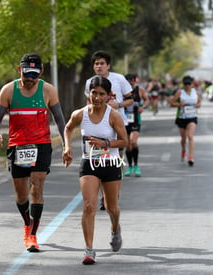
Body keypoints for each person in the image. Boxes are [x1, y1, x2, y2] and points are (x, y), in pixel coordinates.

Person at [0, 53, 66, 253]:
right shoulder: (8, 90)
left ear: (40, 72)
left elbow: (59, 120)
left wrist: (66, 144)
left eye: (34, 74)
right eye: (27, 73)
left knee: (37, 186)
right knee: (21, 194)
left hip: (41, 144)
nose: (30, 78)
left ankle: (32, 235)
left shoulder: (48, 90)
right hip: (18, 146)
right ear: (20, 70)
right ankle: (26, 224)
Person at [64, 76, 128, 265]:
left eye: (102, 94)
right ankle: (89, 250)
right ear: (89, 93)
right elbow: (68, 129)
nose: (97, 97)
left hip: (110, 164)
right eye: (94, 93)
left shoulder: (113, 115)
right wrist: (67, 148)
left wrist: (105, 143)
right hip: (89, 163)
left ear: (109, 96)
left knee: (111, 207)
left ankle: (115, 229)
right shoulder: (80, 114)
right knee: (89, 206)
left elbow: (125, 141)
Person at [84, 50, 133, 210]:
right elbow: (88, 102)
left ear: (108, 65)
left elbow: (131, 99)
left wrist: (118, 105)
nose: (99, 66)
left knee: (115, 158)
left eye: (102, 63)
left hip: (116, 123)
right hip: (96, 124)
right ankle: (102, 194)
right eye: (96, 64)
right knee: (96, 159)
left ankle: (112, 193)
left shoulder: (119, 79)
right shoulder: (89, 82)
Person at [170, 75, 202, 166]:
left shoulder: (195, 92)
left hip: (192, 116)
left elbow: (199, 102)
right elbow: (172, 103)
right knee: (183, 138)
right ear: (183, 84)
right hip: (181, 117)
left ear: (192, 84)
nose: (187, 85)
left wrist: (197, 105)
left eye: (189, 84)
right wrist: (179, 104)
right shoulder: (180, 93)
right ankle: (183, 149)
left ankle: (191, 157)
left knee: (190, 136)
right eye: (185, 84)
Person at [123, 74, 149, 177]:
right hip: (124, 119)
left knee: (133, 141)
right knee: (127, 144)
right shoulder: (122, 91)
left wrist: (143, 106)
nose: (130, 83)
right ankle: (130, 166)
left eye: (132, 81)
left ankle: (136, 166)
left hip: (135, 119)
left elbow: (146, 99)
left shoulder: (140, 90)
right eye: (128, 81)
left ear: (135, 81)